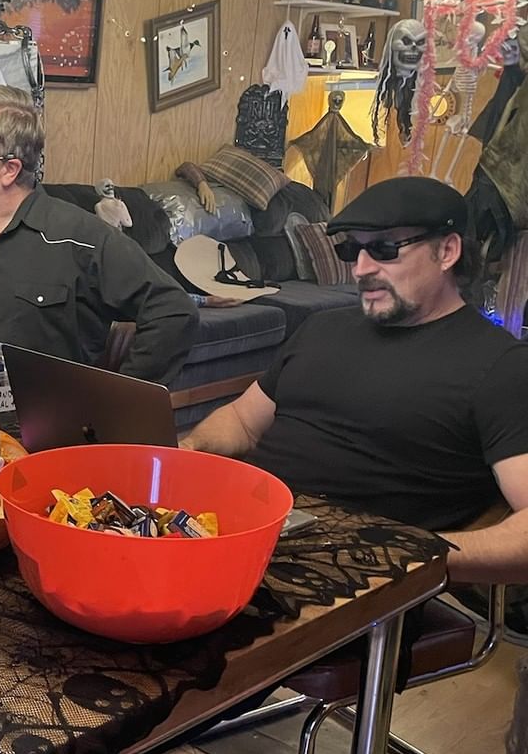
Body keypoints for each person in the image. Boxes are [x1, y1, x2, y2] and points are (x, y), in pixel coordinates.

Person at [181, 176, 528, 584]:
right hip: (239, 530)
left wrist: (410, 555)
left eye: (384, 249)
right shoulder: (321, 327)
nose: (361, 269)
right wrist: (189, 449)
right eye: (352, 249)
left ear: (447, 251)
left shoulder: (500, 366)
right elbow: (242, 422)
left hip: (350, 576)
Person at [0, 87, 198, 385]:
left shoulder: (84, 241)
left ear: (9, 169)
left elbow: (173, 312)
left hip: (53, 416)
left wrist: (116, 398)